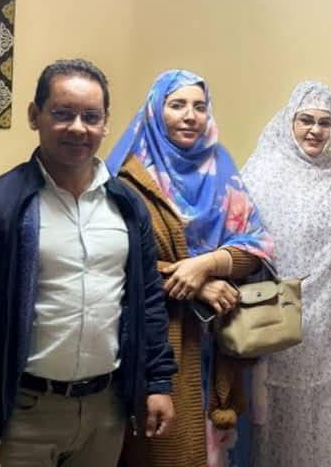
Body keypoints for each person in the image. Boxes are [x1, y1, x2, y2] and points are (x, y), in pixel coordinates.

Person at [0, 59, 177, 467]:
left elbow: (148, 302)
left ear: (105, 124)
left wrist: (158, 381)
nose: (78, 128)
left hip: (106, 411)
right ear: (35, 116)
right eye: (63, 113)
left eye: (91, 117)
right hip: (23, 414)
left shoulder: (127, 207)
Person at [105, 69, 274, 467]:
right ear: (155, 109)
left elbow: (257, 245)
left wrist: (208, 264)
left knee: (215, 448)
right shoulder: (128, 174)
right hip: (158, 336)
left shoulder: (220, 165)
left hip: (218, 339)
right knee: (162, 448)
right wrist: (196, 285)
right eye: (177, 105)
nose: (190, 116)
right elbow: (114, 259)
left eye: (199, 107)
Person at [240, 81, 331, 466]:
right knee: (276, 425)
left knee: (328, 421)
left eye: (325, 122)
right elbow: (243, 244)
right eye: (306, 120)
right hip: (275, 321)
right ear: (290, 121)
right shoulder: (262, 171)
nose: (315, 130)